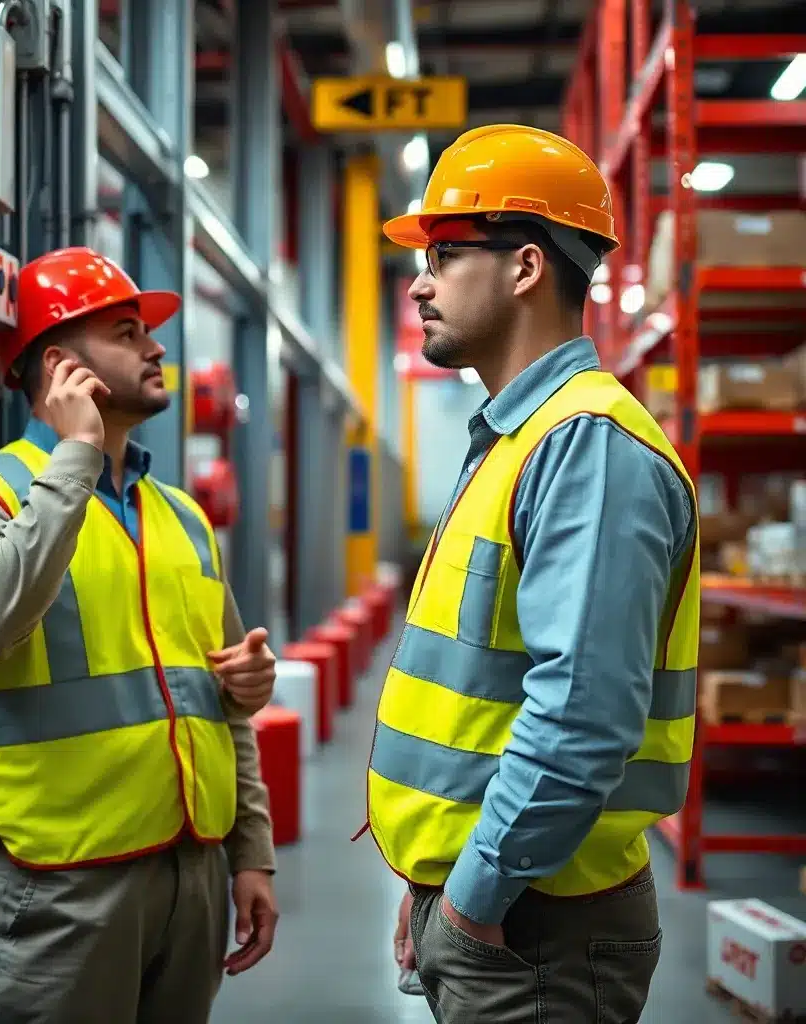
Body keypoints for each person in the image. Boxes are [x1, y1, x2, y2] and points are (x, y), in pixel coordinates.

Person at [365, 125, 700, 1023]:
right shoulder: (519, 438)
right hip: (504, 904)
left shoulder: (585, 447)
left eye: (444, 255)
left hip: (534, 927)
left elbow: (583, 717)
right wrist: (437, 882)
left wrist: (472, 897)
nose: (420, 284)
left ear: (524, 267)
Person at [0, 246, 280, 1024]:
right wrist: (76, 459)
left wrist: (250, 852)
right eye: (127, 333)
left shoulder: (182, 517)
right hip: (61, 888)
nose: (155, 348)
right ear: (61, 366)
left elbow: (222, 706)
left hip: (193, 876)